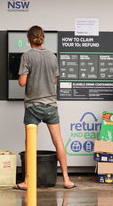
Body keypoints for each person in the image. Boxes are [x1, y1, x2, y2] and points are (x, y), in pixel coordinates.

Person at [14, 26, 76, 190]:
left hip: (33, 106)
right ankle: (67, 179)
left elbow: (22, 82)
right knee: (58, 142)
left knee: (30, 144)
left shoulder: (27, 56)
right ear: (43, 38)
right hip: (51, 105)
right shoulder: (52, 56)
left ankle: (27, 181)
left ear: (29, 39)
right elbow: (54, 80)